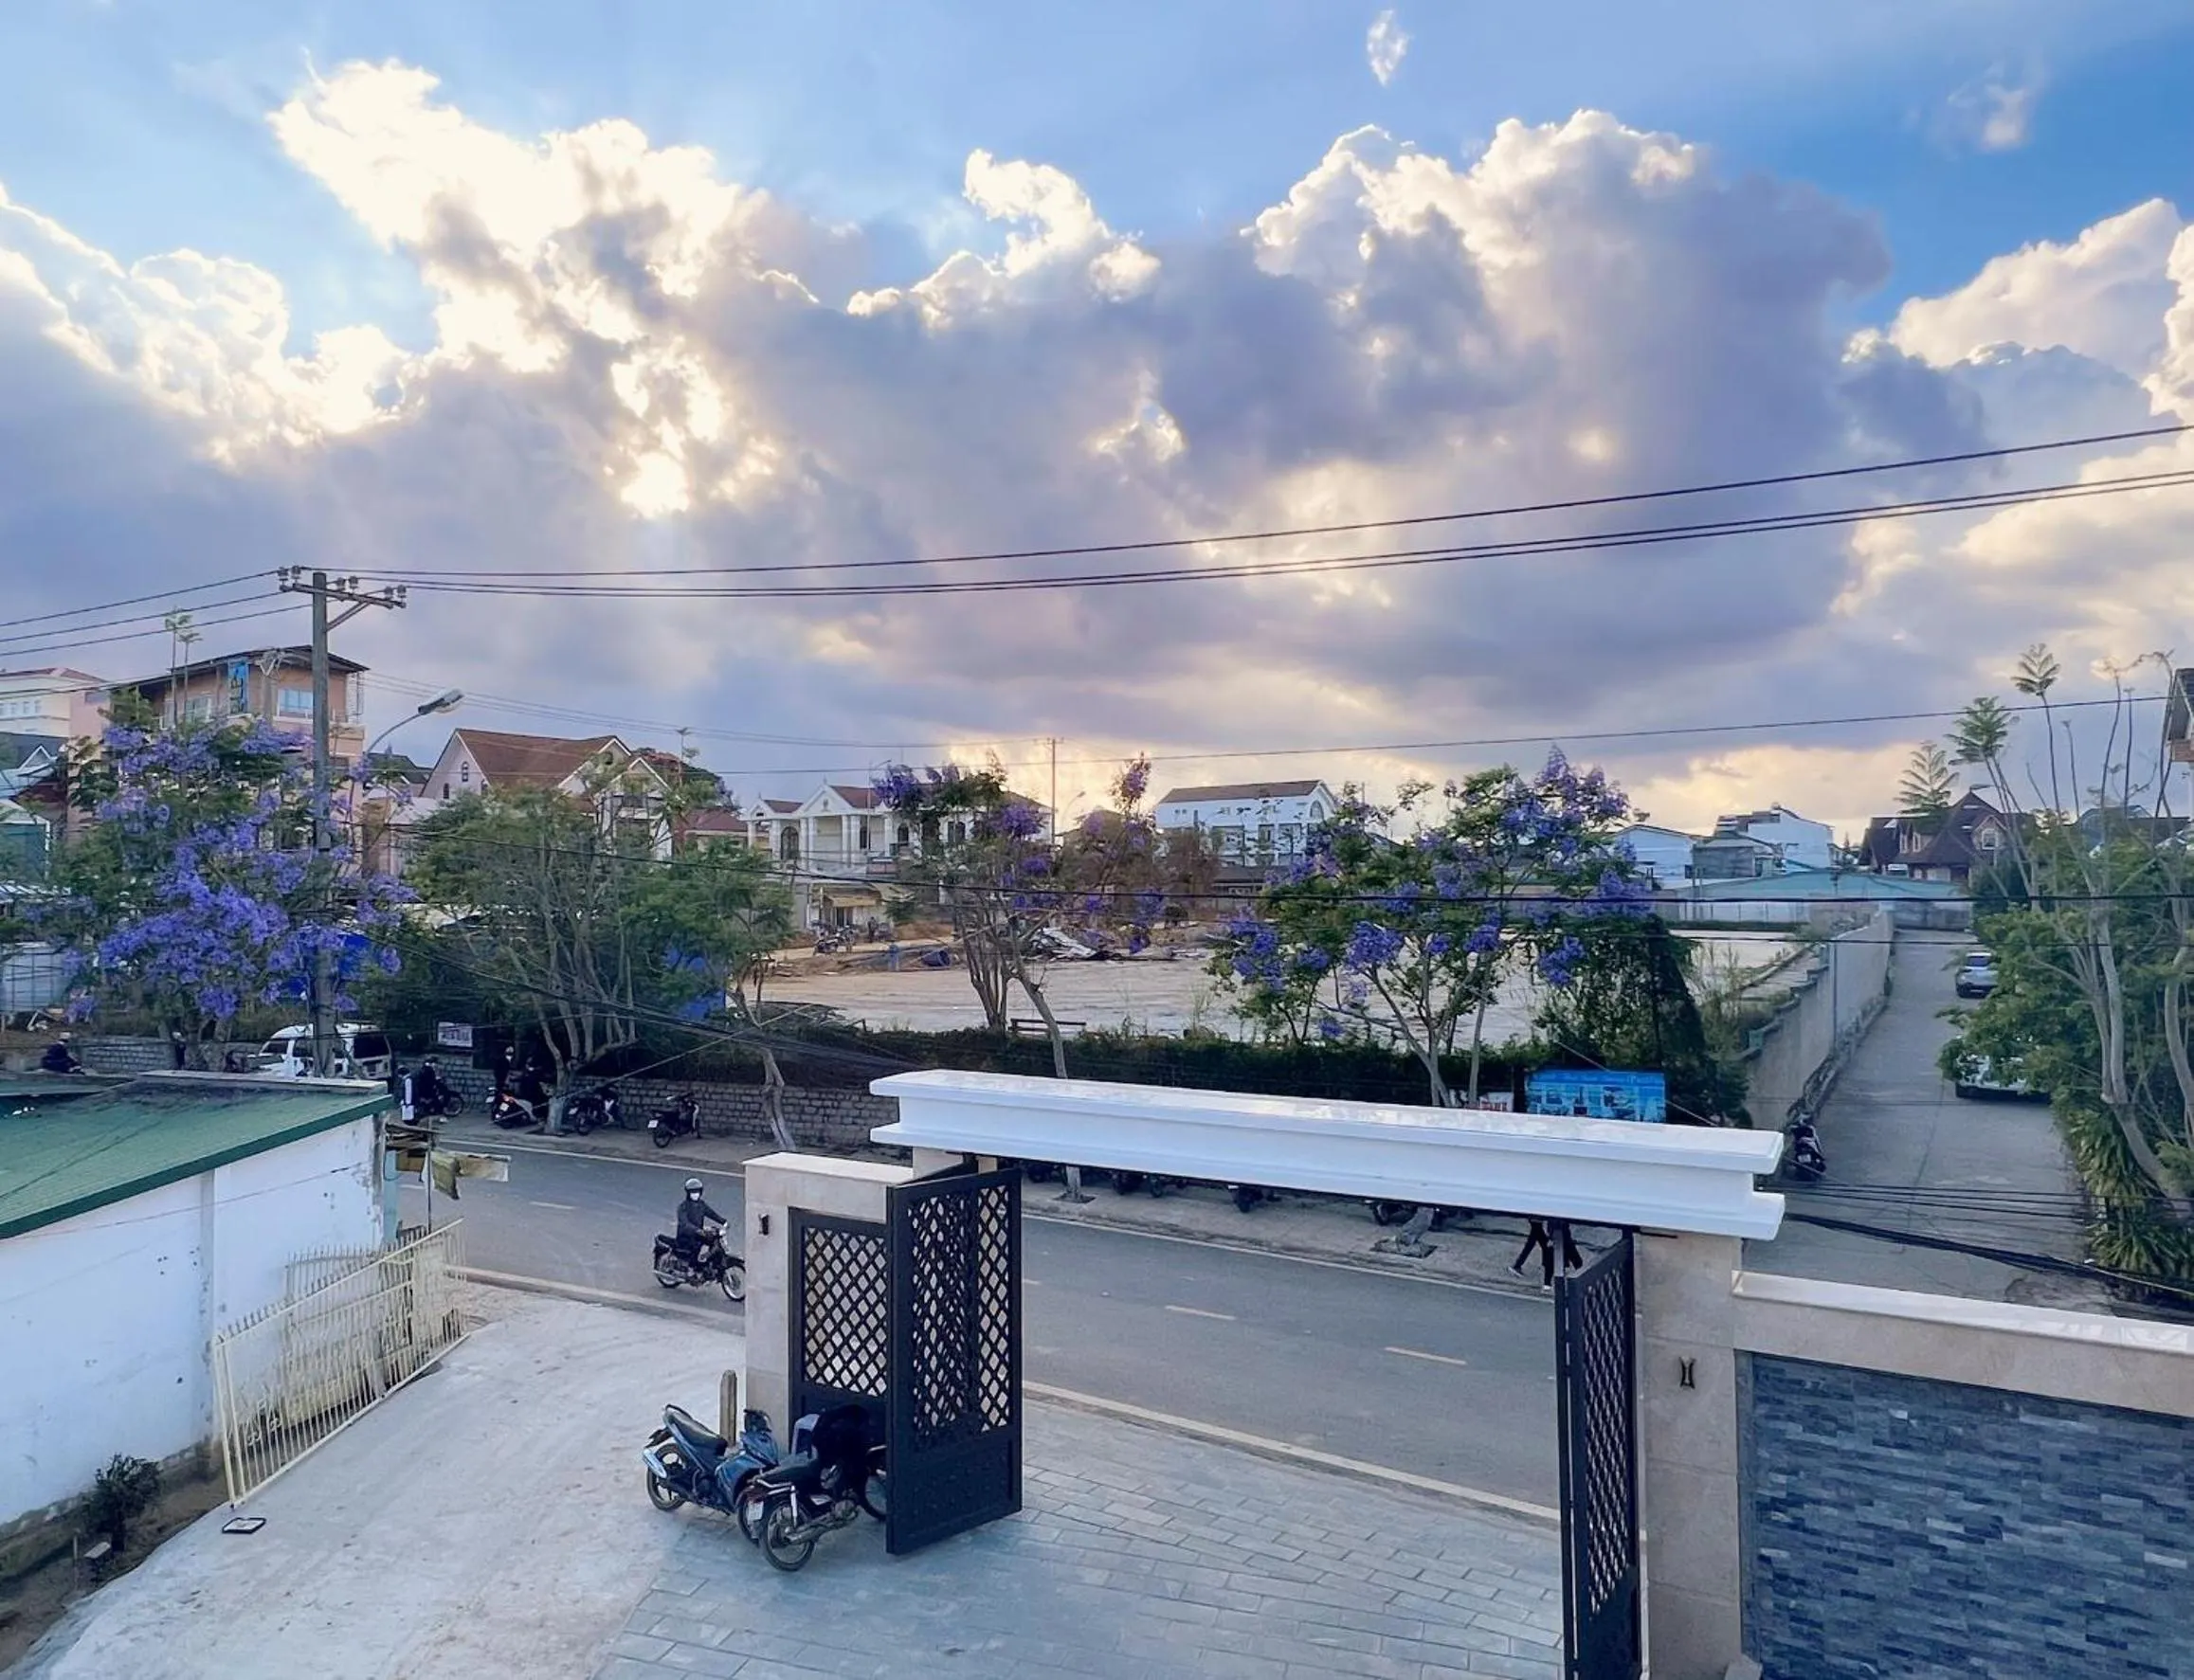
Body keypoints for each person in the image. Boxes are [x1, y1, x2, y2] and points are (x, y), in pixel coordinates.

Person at [1509, 1218, 1585, 1291]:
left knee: (1547, 1247)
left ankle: (1548, 1282)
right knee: (1563, 1250)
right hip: (1553, 1225)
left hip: (1543, 1220)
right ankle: (1549, 1282)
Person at [674, 1177, 726, 1265]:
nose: (695, 1194)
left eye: (697, 1192)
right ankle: (691, 1269)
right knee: (696, 1246)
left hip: (698, 1233)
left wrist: (723, 1221)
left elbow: (711, 1213)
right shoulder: (683, 1207)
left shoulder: (701, 1204)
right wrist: (697, 1230)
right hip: (686, 1236)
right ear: (688, 1193)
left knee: (714, 1241)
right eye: (693, 1192)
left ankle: (710, 1264)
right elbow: (685, 1224)